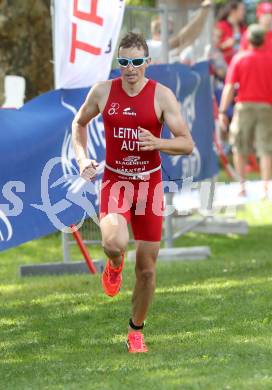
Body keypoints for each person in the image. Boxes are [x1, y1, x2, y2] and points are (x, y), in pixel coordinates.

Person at [72, 32, 194, 353]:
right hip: (116, 181)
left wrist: (159, 143)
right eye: (124, 62)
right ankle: (113, 265)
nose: (130, 69)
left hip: (150, 186)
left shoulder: (162, 96)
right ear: (118, 64)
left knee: (147, 270)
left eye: (136, 62)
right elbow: (78, 124)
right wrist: (83, 158)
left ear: (147, 63)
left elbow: (187, 142)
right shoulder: (102, 92)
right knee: (114, 243)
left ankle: (135, 331)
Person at [219, 24, 272, 198]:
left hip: (244, 107)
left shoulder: (240, 59)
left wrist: (222, 111)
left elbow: (229, 87)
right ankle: (265, 187)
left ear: (248, 40)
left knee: (239, 147)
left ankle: (242, 187)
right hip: (267, 107)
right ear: (264, 39)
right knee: (266, 148)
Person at [147, 0, 212, 64]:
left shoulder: (166, 47)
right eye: (168, 32)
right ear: (158, 31)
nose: (169, 35)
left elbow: (189, 37)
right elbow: (181, 38)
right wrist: (202, 13)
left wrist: (203, 14)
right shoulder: (152, 45)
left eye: (171, 32)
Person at [214, 0, 246, 65]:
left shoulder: (243, 28)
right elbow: (213, 47)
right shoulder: (220, 26)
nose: (244, 12)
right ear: (233, 11)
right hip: (225, 68)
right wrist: (224, 45)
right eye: (242, 10)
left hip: (241, 65)